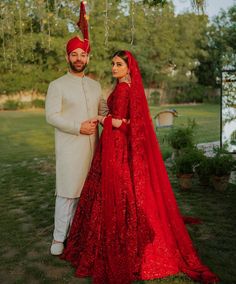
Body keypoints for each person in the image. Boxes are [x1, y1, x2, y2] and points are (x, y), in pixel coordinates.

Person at [61, 50, 219, 284]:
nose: (114, 68)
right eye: (112, 64)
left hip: (115, 147)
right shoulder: (127, 87)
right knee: (122, 191)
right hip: (115, 145)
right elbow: (126, 120)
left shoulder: (125, 89)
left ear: (128, 67)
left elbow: (120, 123)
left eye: (118, 64)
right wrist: (111, 117)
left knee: (114, 191)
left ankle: (117, 239)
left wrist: (101, 119)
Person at [45, 2, 107, 256]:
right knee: (68, 193)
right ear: (68, 57)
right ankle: (59, 238)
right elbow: (51, 116)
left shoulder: (95, 86)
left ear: (88, 58)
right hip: (71, 147)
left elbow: (103, 111)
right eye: (74, 54)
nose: (79, 59)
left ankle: (82, 236)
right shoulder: (57, 85)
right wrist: (77, 127)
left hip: (95, 149)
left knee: (89, 194)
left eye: (83, 54)